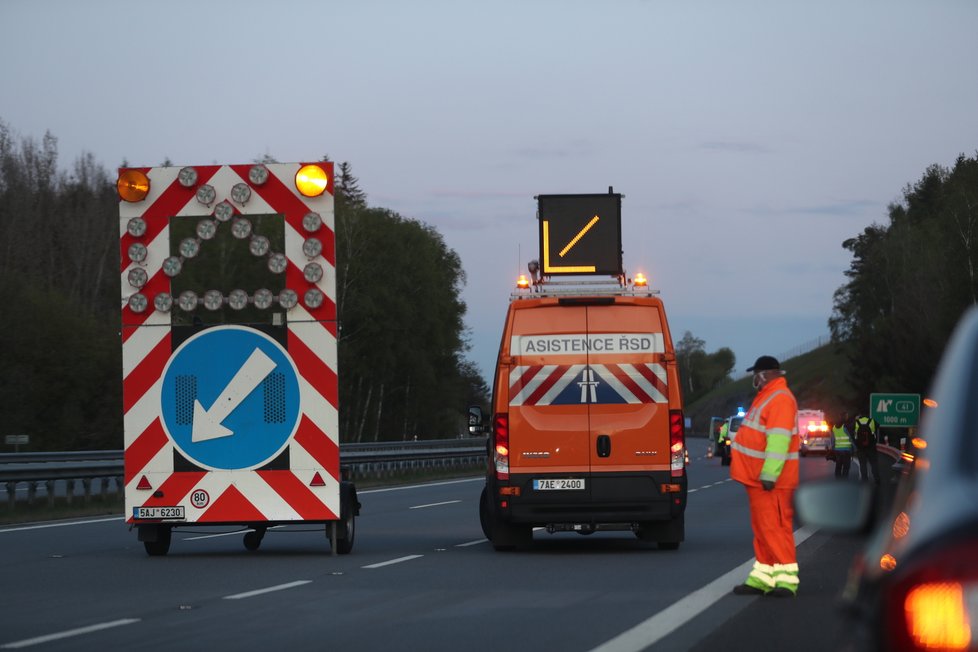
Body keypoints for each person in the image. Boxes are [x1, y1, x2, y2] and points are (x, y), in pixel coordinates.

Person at [731, 355, 800, 598]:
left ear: (764, 374)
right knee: (764, 531)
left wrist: (770, 475)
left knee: (776, 530)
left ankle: (786, 582)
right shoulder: (767, 397)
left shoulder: (779, 399)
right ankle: (762, 579)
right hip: (759, 480)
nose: (754, 379)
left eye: (756, 374)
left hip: (772, 482)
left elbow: (778, 441)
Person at [853, 414, 881, 484]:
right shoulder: (872, 421)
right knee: (874, 464)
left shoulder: (857, 422)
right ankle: (877, 479)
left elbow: (851, 431)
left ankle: (864, 480)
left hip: (860, 448)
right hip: (871, 447)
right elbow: (878, 426)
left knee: (863, 464)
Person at [829, 413, 853, 479]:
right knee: (846, 467)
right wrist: (854, 448)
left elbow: (832, 440)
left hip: (838, 450)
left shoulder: (834, 428)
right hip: (847, 450)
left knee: (838, 466)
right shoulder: (847, 427)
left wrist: (833, 448)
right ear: (845, 417)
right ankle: (844, 481)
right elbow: (850, 438)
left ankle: (838, 480)